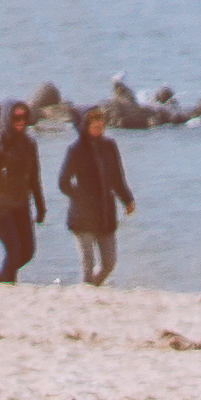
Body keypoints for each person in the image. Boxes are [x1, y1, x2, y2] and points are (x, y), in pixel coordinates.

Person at [58, 103, 137, 285]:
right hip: (82, 215)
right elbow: (63, 182)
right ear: (85, 126)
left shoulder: (110, 146)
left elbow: (117, 178)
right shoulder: (75, 149)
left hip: (105, 212)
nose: (99, 127)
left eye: (101, 123)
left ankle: (91, 289)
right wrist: (81, 198)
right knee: (88, 264)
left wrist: (127, 200)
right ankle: (86, 297)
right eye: (94, 125)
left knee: (109, 263)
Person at [0, 101, 47, 284]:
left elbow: (34, 179)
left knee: (28, 252)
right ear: (7, 118)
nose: (21, 121)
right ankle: (6, 281)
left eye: (24, 117)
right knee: (14, 250)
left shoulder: (30, 144)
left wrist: (41, 207)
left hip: (22, 205)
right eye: (16, 117)